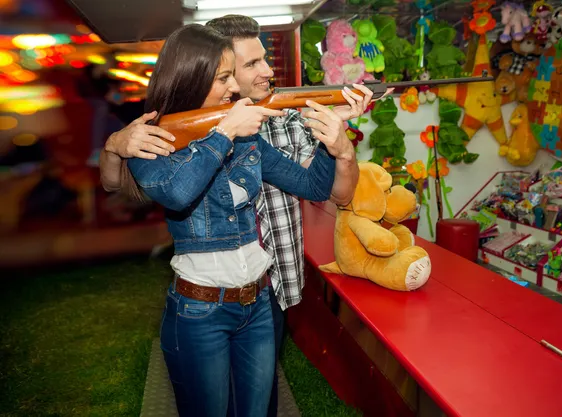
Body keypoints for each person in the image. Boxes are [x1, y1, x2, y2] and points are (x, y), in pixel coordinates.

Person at [98, 15, 386, 416]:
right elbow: (178, 195)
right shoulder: (153, 136)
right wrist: (223, 134)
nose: (235, 87)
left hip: (257, 303)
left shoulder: (246, 136)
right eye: (224, 78)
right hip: (200, 312)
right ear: (192, 76)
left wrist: (332, 139)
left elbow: (315, 188)